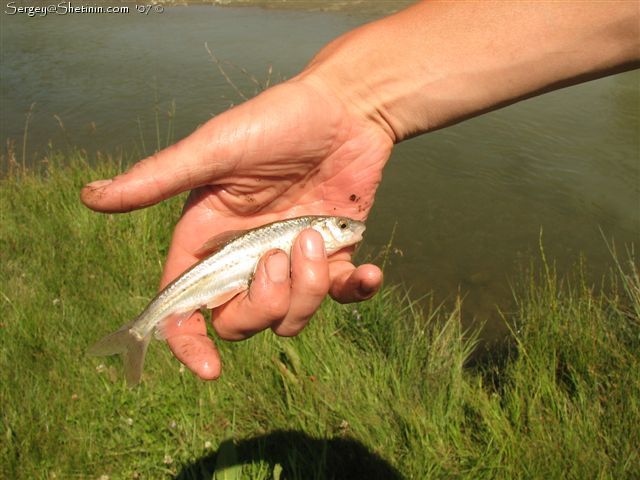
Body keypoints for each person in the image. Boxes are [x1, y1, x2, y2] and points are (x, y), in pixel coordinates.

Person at [80, 1, 639, 381]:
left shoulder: (316, 233)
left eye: (346, 228)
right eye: (343, 228)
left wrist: (353, 99)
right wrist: (348, 100)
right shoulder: (315, 232)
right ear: (324, 232)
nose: (353, 231)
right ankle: (140, 331)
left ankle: (143, 328)